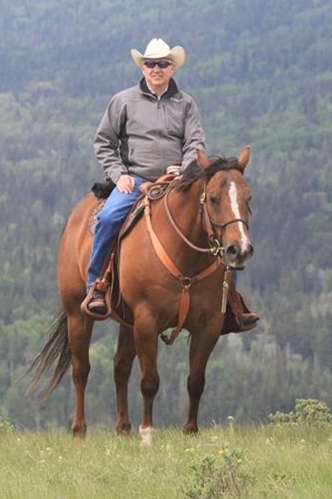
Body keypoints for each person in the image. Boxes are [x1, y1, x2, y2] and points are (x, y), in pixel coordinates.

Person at [83, 38, 258, 331]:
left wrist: (184, 171)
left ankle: (229, 301)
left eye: (163, 64)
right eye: (150, 64)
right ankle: (97, 284)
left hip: (178, 179)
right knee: (109, 217)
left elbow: (195, 142)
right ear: (143, 67)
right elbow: (104, 142)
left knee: (223, 222)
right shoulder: (123, 101)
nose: (156, 69)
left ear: (172, 68)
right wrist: (119, 175)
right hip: (135, 178)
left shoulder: (186, 104)